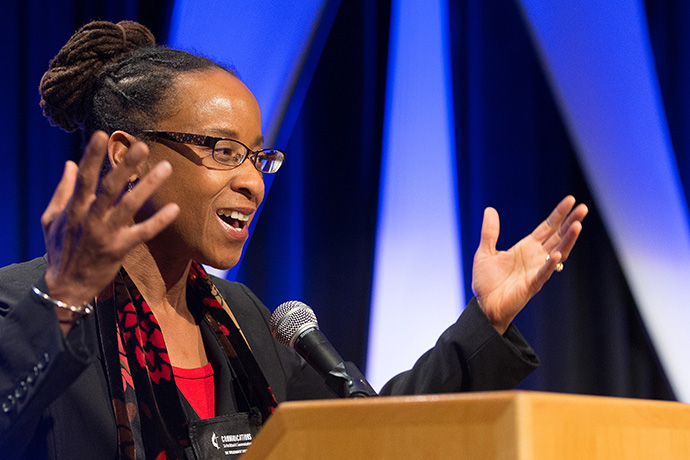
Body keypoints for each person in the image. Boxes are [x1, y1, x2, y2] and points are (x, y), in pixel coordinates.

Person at [0, 20, 587, 460]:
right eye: (223, 150)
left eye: (259, 157)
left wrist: (486, 322)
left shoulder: (243, 324)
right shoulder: (19, 305)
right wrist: (65, 295)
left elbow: (367, 434)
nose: (253, 181)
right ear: (127, 154)